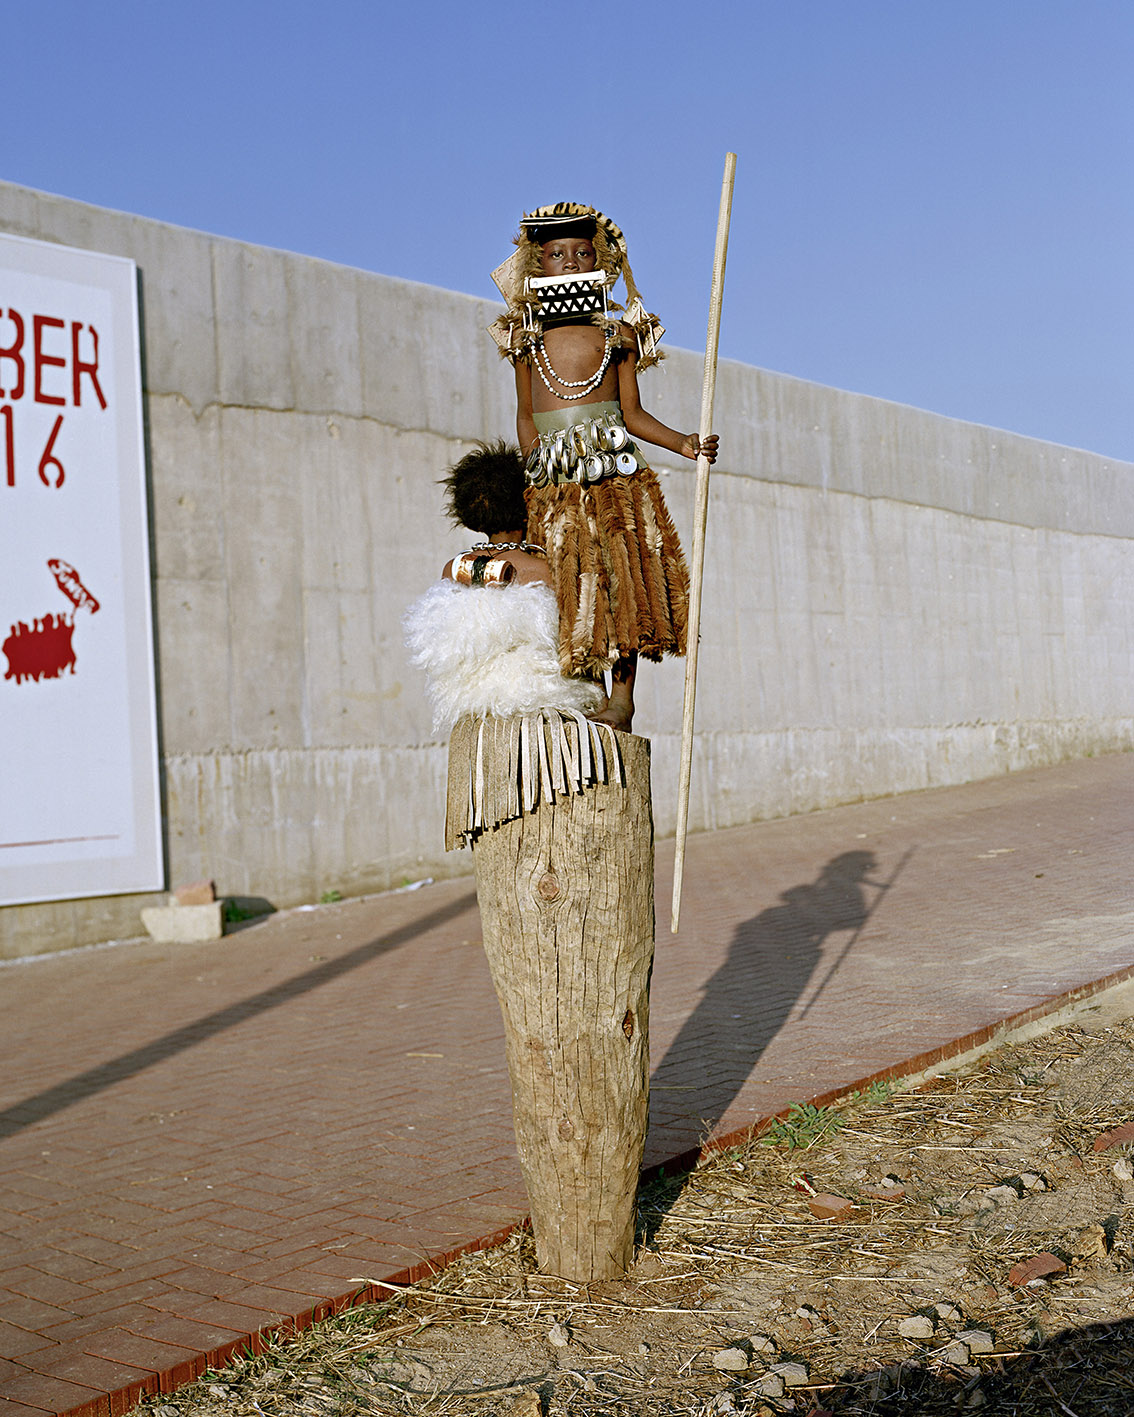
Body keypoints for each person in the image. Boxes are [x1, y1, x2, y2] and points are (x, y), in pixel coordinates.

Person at [489, 202, 718, 731]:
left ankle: (622, 697)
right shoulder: (525, 343)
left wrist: (683, 442)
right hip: (553, 484)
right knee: (574, 583)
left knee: (619, 581)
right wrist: (534, 475)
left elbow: (632, 413)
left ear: (600, 261)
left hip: (611, 478)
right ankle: (585, 690)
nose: (570, 261)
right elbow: (526, 417)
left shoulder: (617, 337)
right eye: (557, 253)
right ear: (535, 265)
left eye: (582, 252)